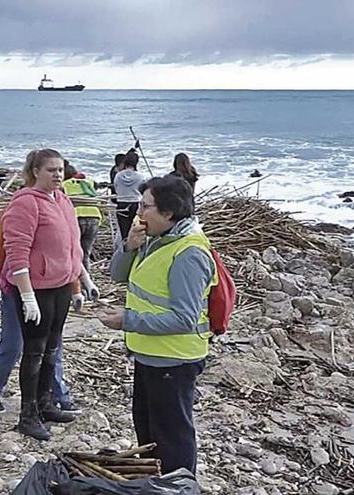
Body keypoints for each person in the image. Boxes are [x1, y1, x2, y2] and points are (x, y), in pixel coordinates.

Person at [100, 176, 217, 476]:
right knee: (150, 432)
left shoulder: (188, 253)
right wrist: (129, 246)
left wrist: (128, 321)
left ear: (168, 213)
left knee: (172, 436)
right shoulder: (154, 240)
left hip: (174, 359)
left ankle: (179, 485)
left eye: (145, 206)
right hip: (148, 353)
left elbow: (184, 318)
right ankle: (155, 483)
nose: (139, 212)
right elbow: (117, 276)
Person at [2, 149, 99, 441]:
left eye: (60, 169)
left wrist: (82, 280)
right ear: (35, 172)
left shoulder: (64, 200)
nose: (58, 175)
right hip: (37, 289)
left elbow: (73, 248)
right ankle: (27, 414)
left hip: (60, 286)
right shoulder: (25, 203)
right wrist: (27, 295)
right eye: (51, 170)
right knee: (34, 351)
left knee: (53, 348)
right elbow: (16, 251)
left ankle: (45, 404)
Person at [0, 210, 82, 416]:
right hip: (16, 289)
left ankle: (58, 395)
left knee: (53, 345)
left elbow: (67, 255)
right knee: (13, 345)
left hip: (50, 289)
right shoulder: (17, 211)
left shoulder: (60, 207)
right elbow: (1, 252)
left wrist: (76, 288)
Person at [61, 162, 101, 271]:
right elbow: (96, 186)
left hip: (77, 217)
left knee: (73, 251)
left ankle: (74, 278)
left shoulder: (64, 185)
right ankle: (87, 282)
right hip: (94, 217)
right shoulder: (88, 182)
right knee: (86, 253)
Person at [113, 149, 146, 241]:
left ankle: (125, 248)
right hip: (136, 204)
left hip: (122, 203)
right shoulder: (140, 176)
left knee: (124, 231)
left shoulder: (118, 176)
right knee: (137, 230)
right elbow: (143, 190)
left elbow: (116, 188)